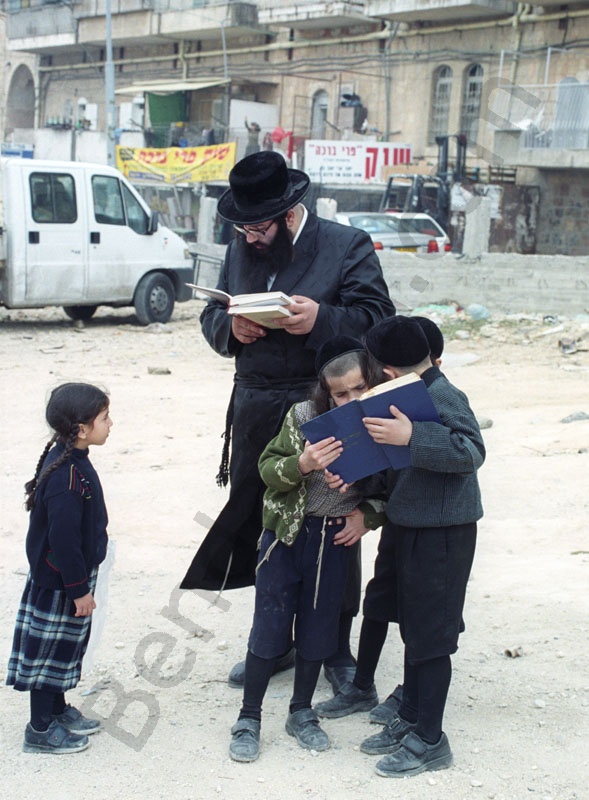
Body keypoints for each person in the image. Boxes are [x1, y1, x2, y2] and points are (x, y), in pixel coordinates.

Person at [180, 151, 395, 691]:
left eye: (258, 226)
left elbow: (379, 320)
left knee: (333, 517)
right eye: (243, 226)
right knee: (267, 520)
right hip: (256, 406)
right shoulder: (239, 246)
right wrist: (233, 331)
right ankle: (275, 641)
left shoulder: (347, 245)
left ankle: (335, 649)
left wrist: (322, 318)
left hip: (323, 402)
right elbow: (213, 314)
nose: (250, 237)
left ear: (290, 212)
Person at [315, 316, 485, 779]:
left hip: (444, 532)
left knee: (430, 635)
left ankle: (431, 740)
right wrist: (352, 471)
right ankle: (410, 714)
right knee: (411, 621)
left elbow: (471, 451)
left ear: (387, 371)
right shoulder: (404, 393)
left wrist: (414, 436)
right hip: (408, 522)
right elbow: (395, 464)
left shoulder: (443, 394)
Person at [229, 338, 387, 763]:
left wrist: (365, 514)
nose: (351, 399)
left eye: (359, 389)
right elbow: (266, 469)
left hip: (334, 542)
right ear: (325, 393)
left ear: (371, 382)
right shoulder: (302, 416)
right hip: (286, 539)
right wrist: (302, 464)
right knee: (269, 629)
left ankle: (301, 712)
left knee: (318, 631)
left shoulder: (386, 421)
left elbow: (394, 487)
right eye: (340, 393)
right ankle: (249, 717)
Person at [6, 383, 112, 754]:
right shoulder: (66, 479)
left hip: (68, 578)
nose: (110, 423)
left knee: (65, 648)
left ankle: (57, 708)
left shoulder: (71, 459)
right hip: (61, 582)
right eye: (104, 417)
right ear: (82, 429)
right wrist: (78, 589)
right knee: (49, 652)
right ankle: (39, 728)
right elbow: (63, 542)